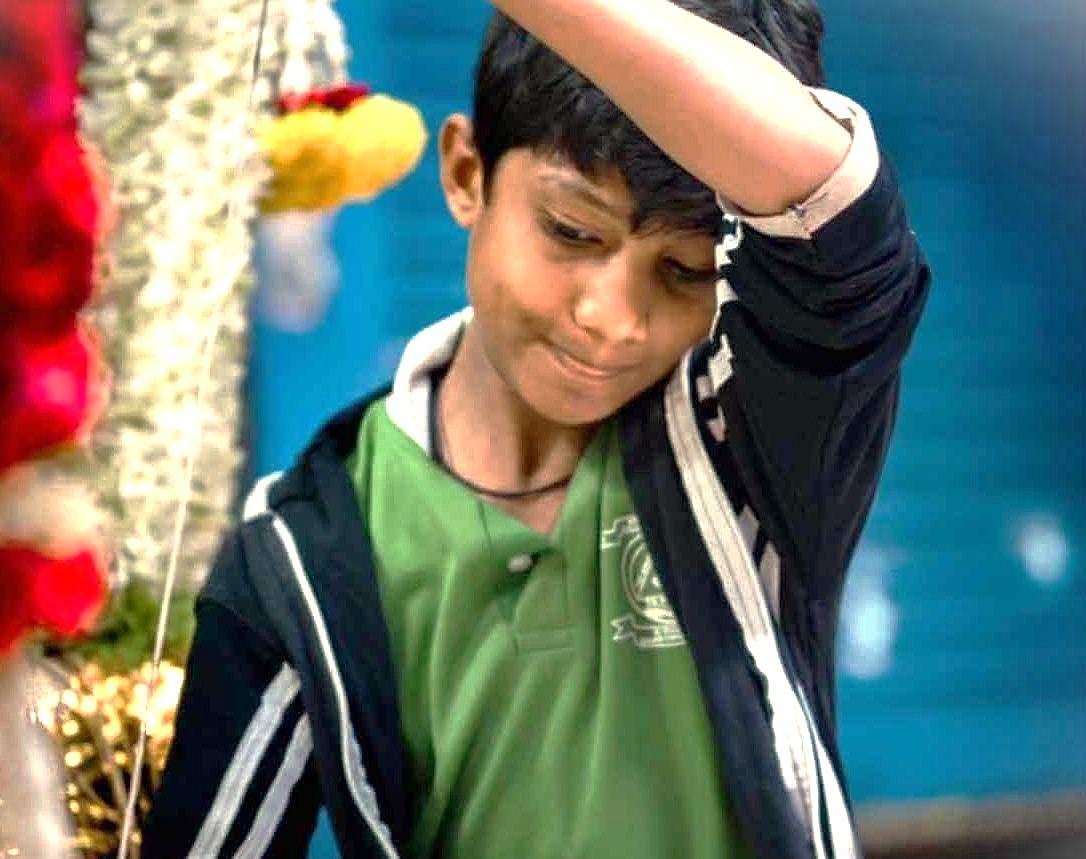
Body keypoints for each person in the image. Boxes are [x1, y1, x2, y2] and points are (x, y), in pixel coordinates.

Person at [143, 0, 928, 857]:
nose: (613, 319)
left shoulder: (744, 439)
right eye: (571, 230)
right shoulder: (301, 552)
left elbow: (833, 203)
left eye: (681, 270)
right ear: (465, 174)